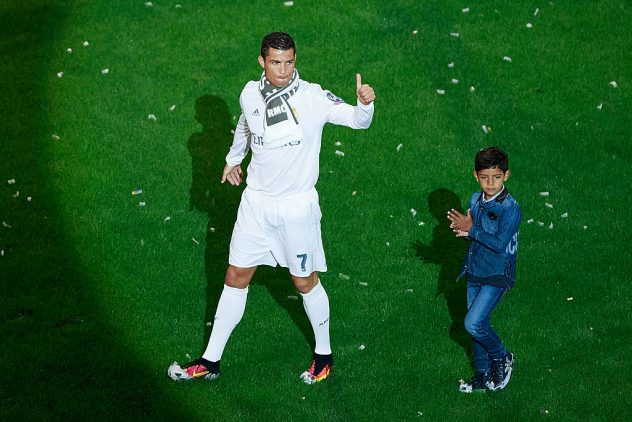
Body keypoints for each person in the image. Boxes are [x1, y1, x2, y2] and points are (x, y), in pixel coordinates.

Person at [168, 32, 376, 384]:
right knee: (235, 275)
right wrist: (233, 160)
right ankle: (210, 361)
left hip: (295, 209)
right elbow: (245, 127)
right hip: (256, 205)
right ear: (262, 62)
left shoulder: (312, 97)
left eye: (289, 62)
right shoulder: (250, 93)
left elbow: (358, 121)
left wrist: (365, 104)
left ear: (296, 61)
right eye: (276, 62)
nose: (283, 70)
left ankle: (324, 355)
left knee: (303, 281)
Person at [447, 147, 522, 393]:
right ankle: (482, 372)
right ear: (475, 176)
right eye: (485, 177)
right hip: (476, 271)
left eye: (496, 177)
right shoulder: (474, 200)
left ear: (506, 176)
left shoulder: (511, 209)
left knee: (473, 323)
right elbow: (477, 236)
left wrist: (472, 230)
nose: (490, 183)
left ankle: (502, 357)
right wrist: (464, 232)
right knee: (478, 324)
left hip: (497, 275)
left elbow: (500, 243)